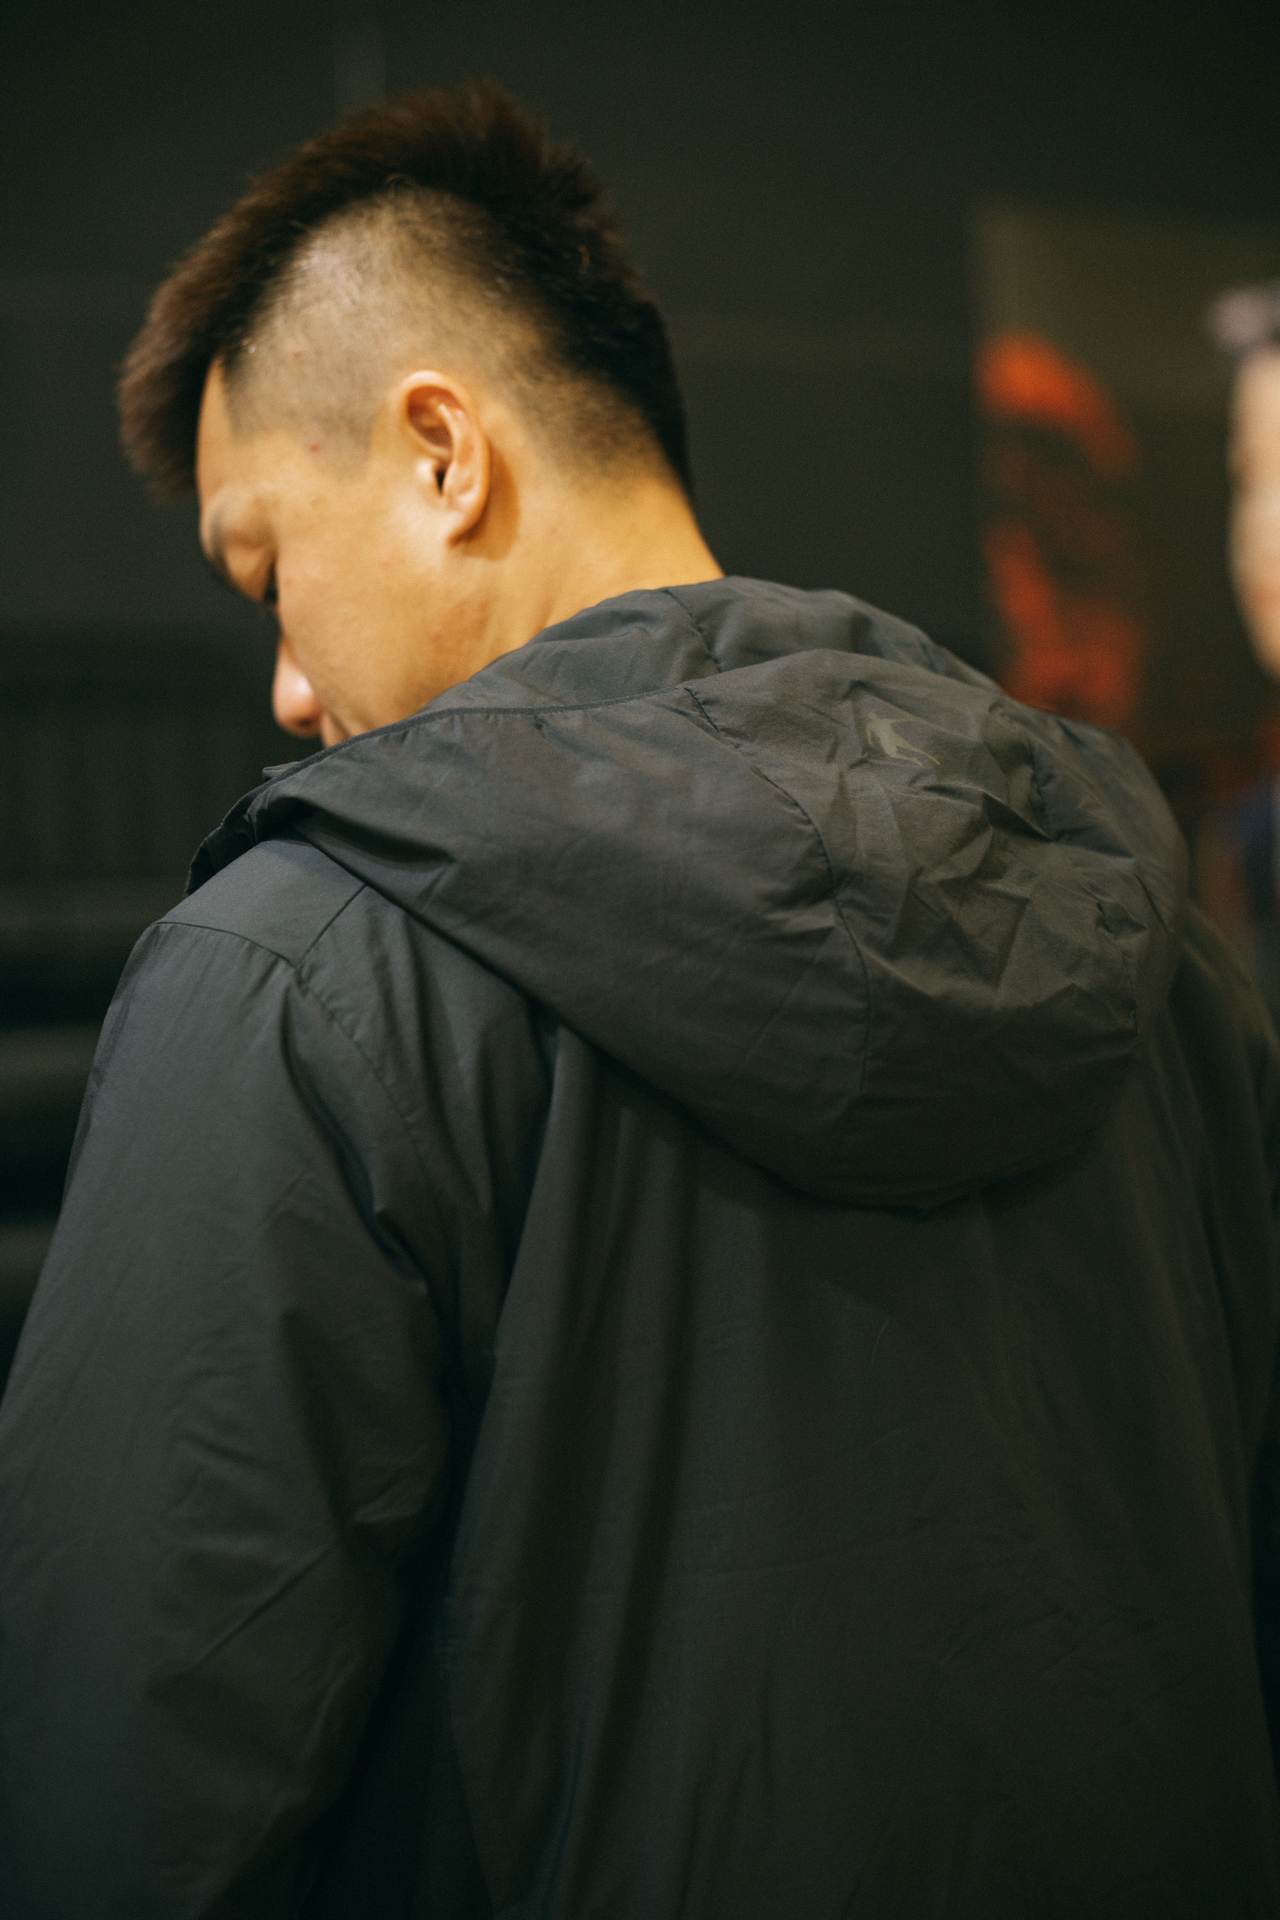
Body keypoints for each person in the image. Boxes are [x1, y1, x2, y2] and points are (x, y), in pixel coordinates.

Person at [1, 84, 1279, 1920]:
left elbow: (120, 1794)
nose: (284, 684)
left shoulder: (295, 978)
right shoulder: (1162, 952)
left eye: (267, 568)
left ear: (442, 451)